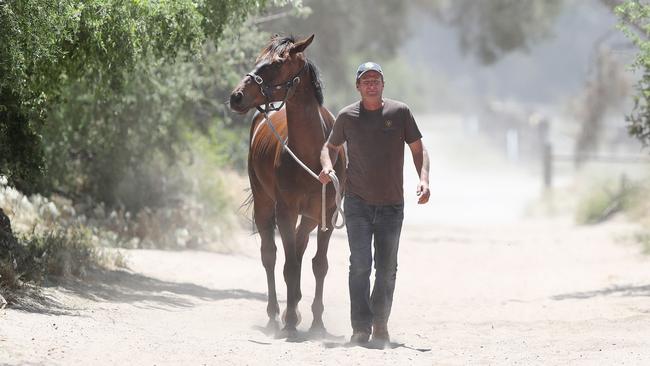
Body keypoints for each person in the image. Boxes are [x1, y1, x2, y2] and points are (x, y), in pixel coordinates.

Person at [319, 62, 430, 345]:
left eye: (376, 80)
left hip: (392, 204)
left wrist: (424, 179)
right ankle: (360, 326)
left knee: (387, 267)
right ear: (358, 87)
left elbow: (418, 148)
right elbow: (329, 148)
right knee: (360, 264)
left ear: (383, 84)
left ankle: (380, 322)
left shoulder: (400, 112)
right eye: (365, 80)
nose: (371, 84)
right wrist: (327, 167)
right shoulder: (347, 116)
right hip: (357, 202)